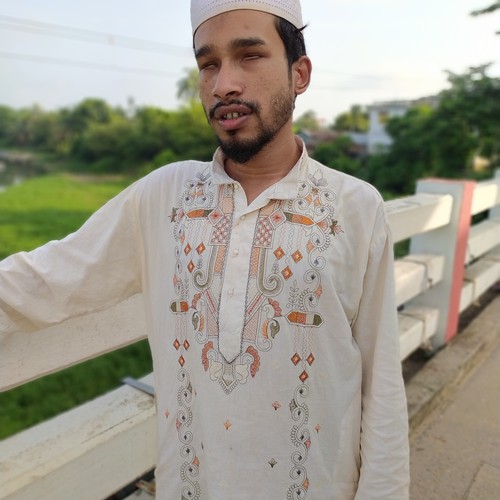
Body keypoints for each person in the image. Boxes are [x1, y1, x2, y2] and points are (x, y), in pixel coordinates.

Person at [0, 0, 410, 498]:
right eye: (208, 64)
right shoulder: (165, 197)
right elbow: (48, 278)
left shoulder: (355, 207)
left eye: (249, 55)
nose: (224, 84)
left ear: (299, 73)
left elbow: (381, 384)